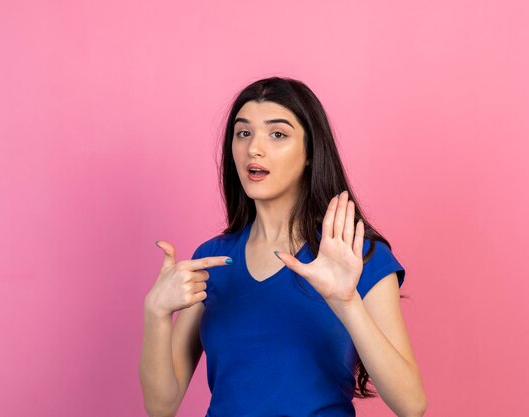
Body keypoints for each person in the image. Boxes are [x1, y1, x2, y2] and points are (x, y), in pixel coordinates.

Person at [140, 77, 427, 417]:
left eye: (278, 134)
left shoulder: (359, 254)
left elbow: (412, 405)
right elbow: (161, 407)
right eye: (243, 133)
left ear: (310, 153)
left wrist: (346, 302)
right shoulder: (211, 261)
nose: (254, 148)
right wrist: (156, 314)